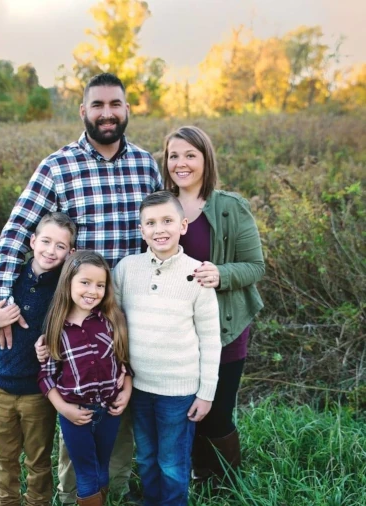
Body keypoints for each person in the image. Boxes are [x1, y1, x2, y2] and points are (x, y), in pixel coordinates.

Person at [0, 72, 162, 503]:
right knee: (78, 415)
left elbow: (162, 229)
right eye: (97, 105)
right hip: (75, 316)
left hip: (128, 312)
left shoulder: (144, 164)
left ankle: (113, 490)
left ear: (126, 110)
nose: (107, 113)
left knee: (121, 404)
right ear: (83, 111)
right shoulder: (58, 166)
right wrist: (0, 302)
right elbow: (16, 232)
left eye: (115, 104)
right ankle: (74, 495)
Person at [162, 126, 265, 483]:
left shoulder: (230, 208)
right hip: (176, 329)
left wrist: (221, 274)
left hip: (225, 327)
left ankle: (221, 481)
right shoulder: (162, 205)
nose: (181, 163)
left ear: (206, 159)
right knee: (182, 407)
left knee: (217, 410)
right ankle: (186, 474)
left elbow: (255, 266)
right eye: (174, 155)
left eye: (190, 155)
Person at [112, 191, 222, 506]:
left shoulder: (196, 274)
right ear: (141, 229)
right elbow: (116, 326)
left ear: (183, 226)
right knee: (146, 457)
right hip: (140, 387)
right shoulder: (127, 269)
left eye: (167, 221)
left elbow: (211, 338)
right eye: (151, 222)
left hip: (179, 392)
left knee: (172, 464)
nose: (159, 229)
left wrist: (206, 392)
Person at [0, 212, 77, 506]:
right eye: (45, 241)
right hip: (1, 386)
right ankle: (5, 501)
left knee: (38, 459)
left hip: (38, 391)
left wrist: (51, 348)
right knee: (4, 456)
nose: (50, 250)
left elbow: (69, 334)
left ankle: (37, 502)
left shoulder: (63, 289)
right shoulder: (8, 279)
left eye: (60, 246)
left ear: (70, 252)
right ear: (32, 241)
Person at [38, 250, 133, 506]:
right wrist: (63, 408)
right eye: (85, 282)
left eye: (100, 285)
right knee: (86, 473)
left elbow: (124, 364)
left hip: (109, 412)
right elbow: (46, 377)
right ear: (68, 282)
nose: (93, 290)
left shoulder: (111, 321)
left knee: (103, 467)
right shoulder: (56, 327)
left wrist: (127, 390)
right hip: (75, 415)